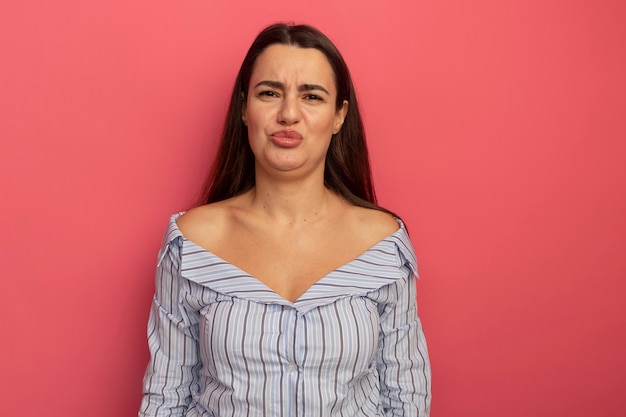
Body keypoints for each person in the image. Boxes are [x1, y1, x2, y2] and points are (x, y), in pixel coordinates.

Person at [139, 23, 431, 417]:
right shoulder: (191, 244)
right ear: (245, 108)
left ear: (339, 115)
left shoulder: (383, 245)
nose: (288, 114)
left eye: (311, 96)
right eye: (269, 93)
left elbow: (406, 398)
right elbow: (166, 398)